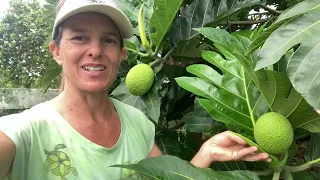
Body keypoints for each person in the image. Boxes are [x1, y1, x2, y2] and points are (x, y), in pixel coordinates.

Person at [0, 0, 271, 179]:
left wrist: (205, 154)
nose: (95, 51)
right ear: (56, 51)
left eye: (107, 40)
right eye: (79, 37)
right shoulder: (25, 130)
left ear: (121, 54)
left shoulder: (138, 122)